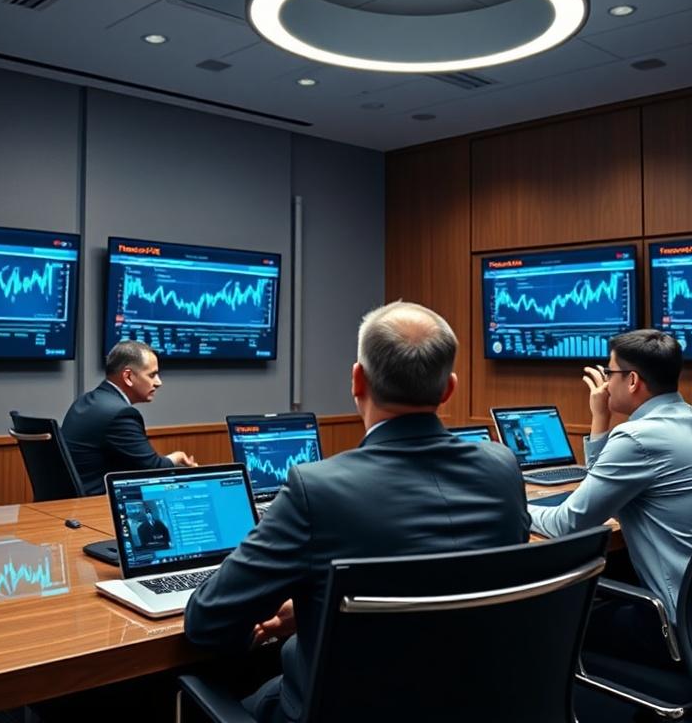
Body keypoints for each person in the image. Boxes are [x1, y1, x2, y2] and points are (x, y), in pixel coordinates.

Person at [185, 301, 531, 723]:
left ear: (357, 380)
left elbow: (206, 621)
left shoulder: (314, 489)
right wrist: (320, 599)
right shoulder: (502, 467)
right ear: (449, 389)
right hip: (483, 701)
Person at [528, 329, 692, 662]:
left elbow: (568, 525)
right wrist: (602, 417)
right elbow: (601, 484)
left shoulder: (638, 438)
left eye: (609, 373)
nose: (605, 384)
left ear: (632, 381)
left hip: (674, 624)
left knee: (551, 618)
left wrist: (514, 505)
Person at [62, 340, 196, 495]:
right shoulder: (120, 414)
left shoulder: (87, 401)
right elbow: (154, 470)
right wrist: (178, 456)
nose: (158, 382)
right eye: (152, 375)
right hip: (92, 507)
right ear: (128, 376)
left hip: (67, 504)